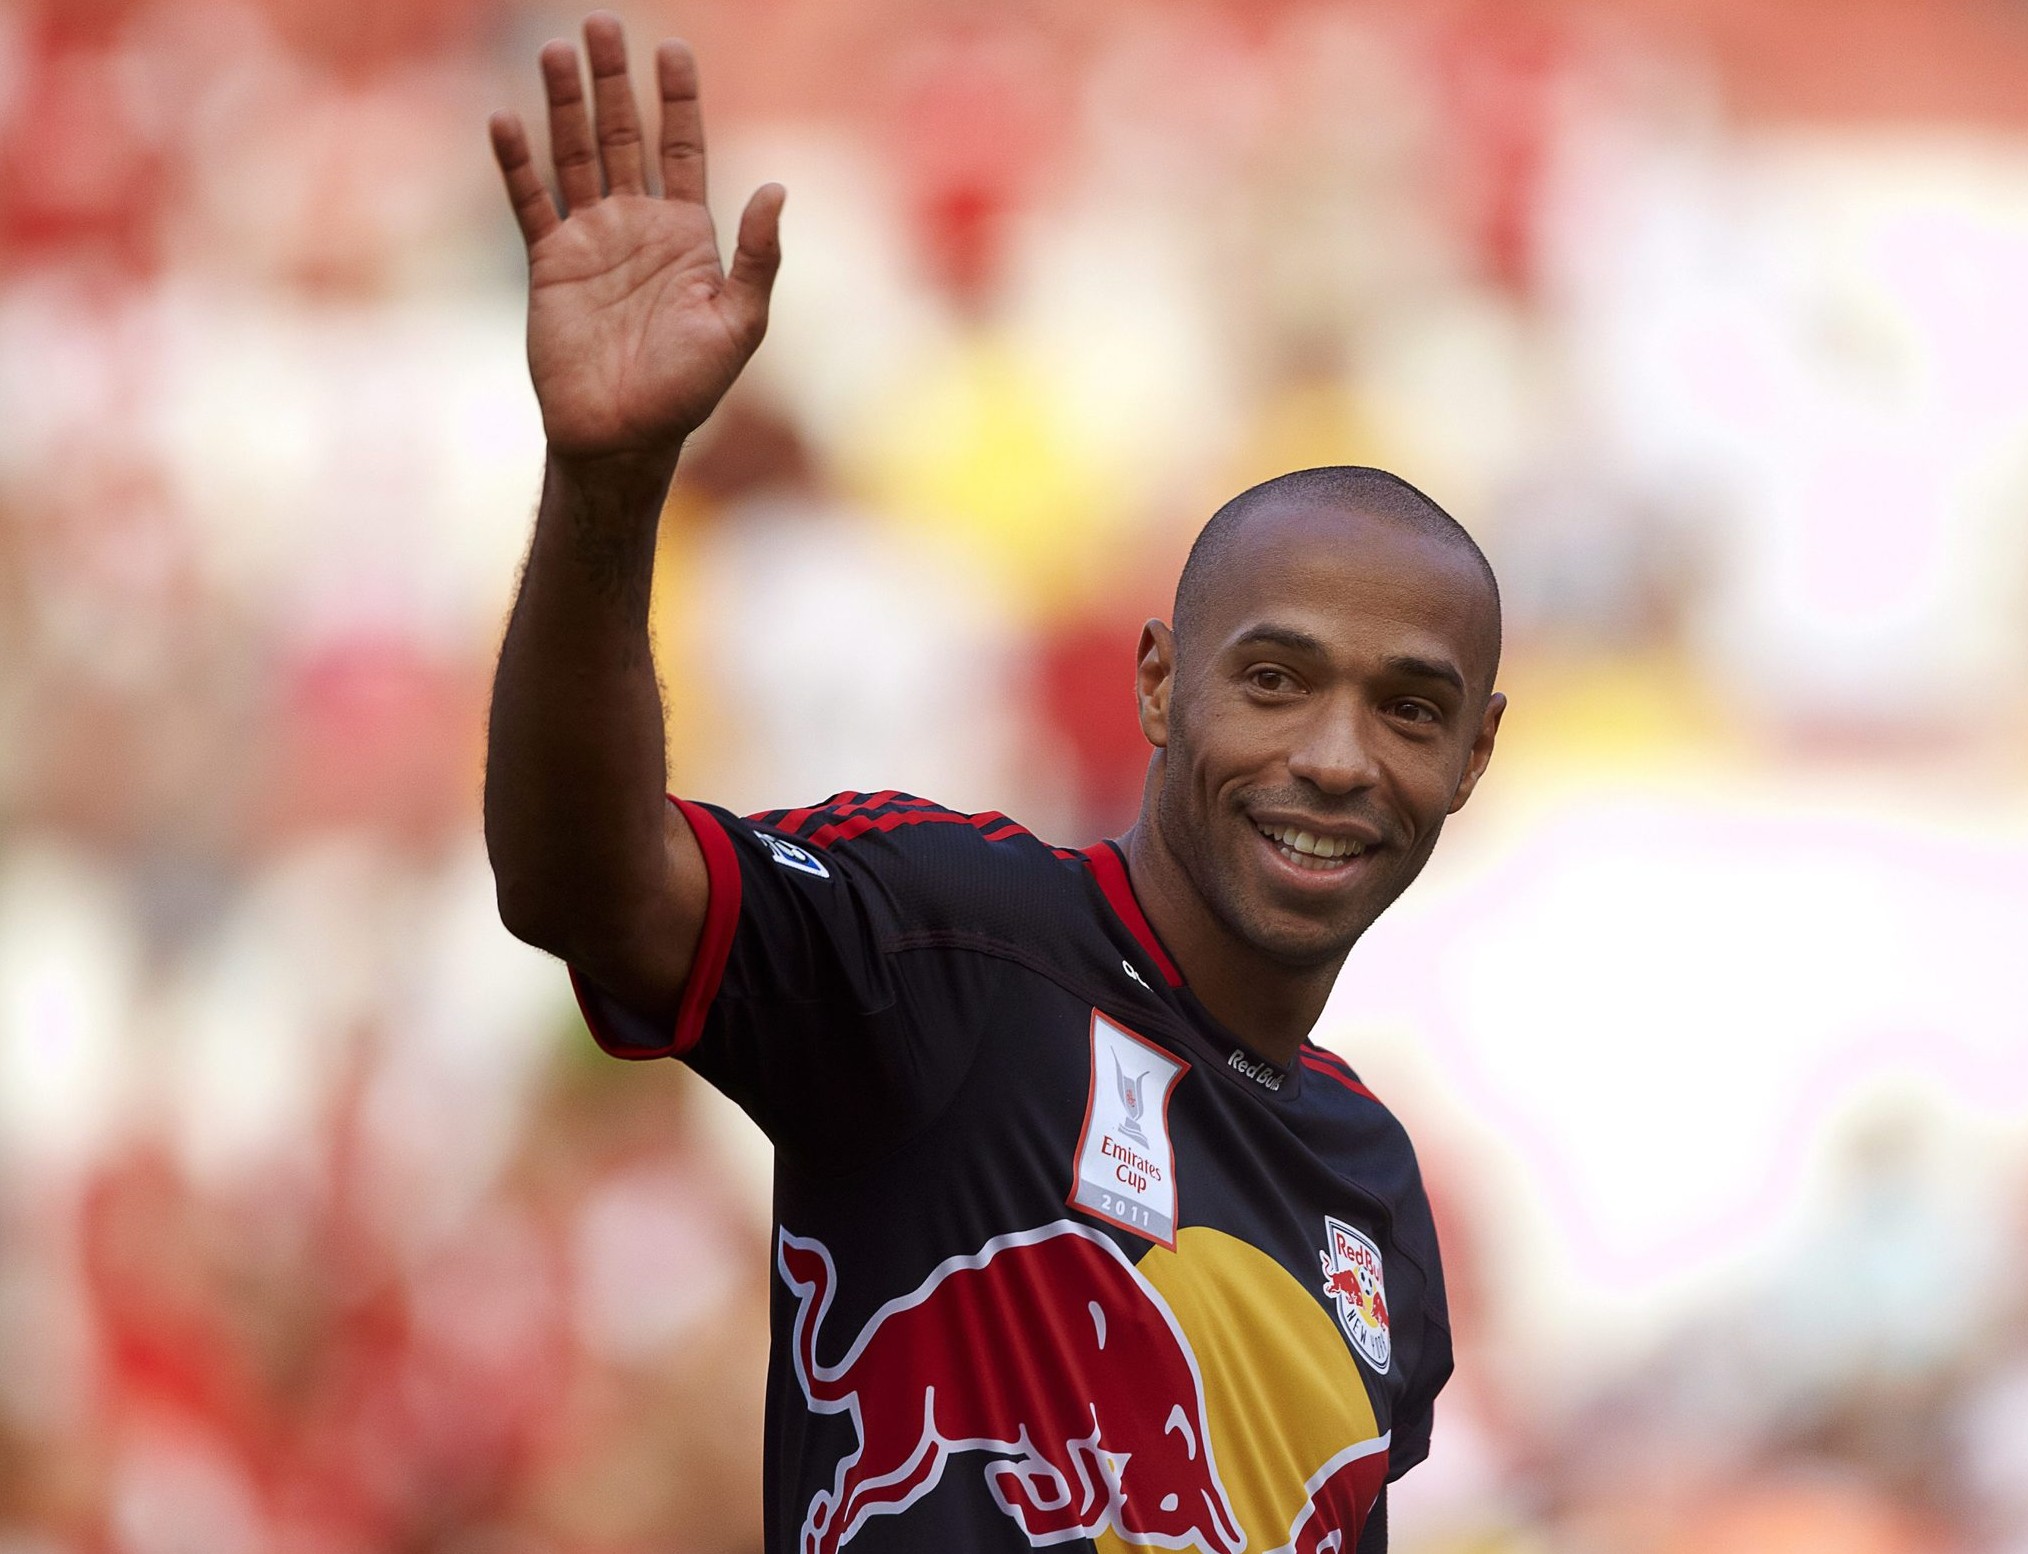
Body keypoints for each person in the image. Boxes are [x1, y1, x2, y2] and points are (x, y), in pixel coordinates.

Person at [481, 14, 1506, 1553]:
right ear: (1157, 683)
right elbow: (588, 884)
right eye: (1275, 679)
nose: (1334, 754)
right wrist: (610, 486)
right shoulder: (952, 944)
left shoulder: (1376, 1195)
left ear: (1472, 754)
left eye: (1407, 707)